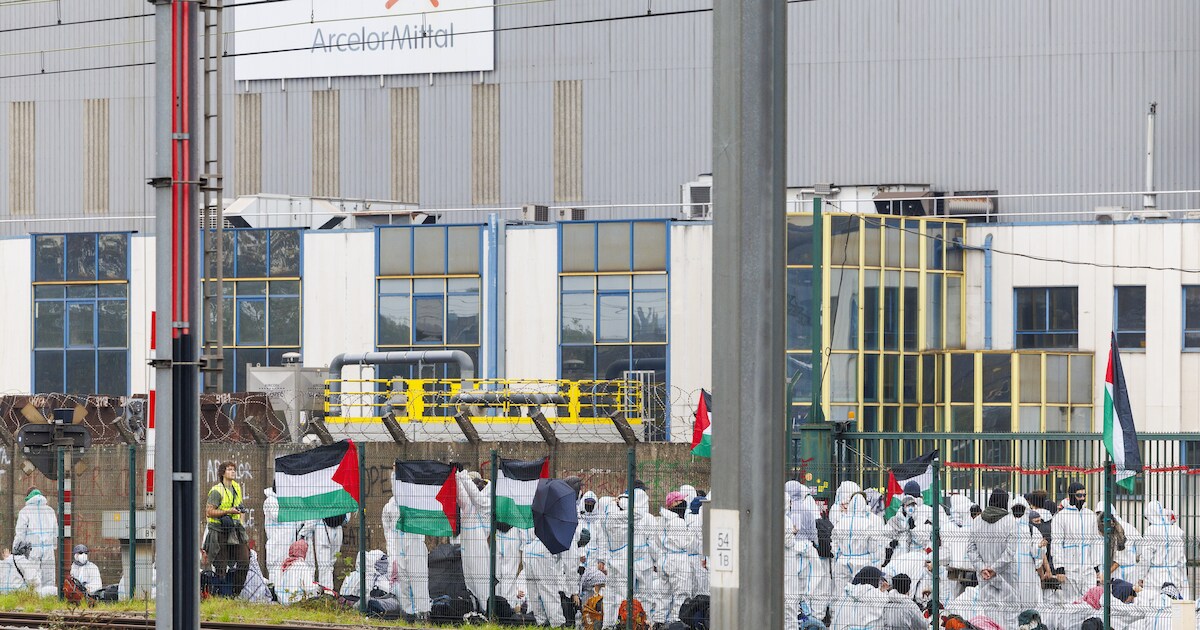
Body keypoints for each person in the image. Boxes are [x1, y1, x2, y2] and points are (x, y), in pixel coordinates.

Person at [382, 488, 430, 619]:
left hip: (415, 547)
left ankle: (423, 613)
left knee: (419, 581)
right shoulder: (390, 506)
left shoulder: (416, 503)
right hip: (399, 549)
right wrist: (393, 557)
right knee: (404, 583)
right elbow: (389, 533)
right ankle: (408, 614)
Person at [1050, 482, 1100, 603]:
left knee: (1091, 602)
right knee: (1071, 603)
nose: (1082, 498)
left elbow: (1095, 542)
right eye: (1079, 495)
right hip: (1069, 569)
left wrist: (1097, 568)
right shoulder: (1061, 516)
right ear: (1072, 495)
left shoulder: (1090, 515)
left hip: (1087, 569)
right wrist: (1059, 568)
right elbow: (1056, 543)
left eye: (1084, 495)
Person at [205, 461, 250, 594]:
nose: (233, 472)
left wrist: (241, 522)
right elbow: (209, 511)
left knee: (244, 561)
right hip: (219, 530)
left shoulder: (236, 487)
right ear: (222, 473)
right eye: (229, 469)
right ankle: (221, 593)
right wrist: (227, 511)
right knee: (221, 565)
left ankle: (235, 592)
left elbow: (240, 508)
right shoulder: (216, 491)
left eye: (234, 470)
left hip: (235, 530)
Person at [654, 491, 696, 627]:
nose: (683, 503)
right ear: (672, 504)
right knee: (681, 594)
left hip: (664, 558)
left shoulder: (662, 520)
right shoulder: (678, 521)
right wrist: (692, 537)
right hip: (678, 560)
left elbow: (657, 541)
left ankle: (659, 622)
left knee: (663, 594)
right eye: (680, 501)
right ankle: (676, 623)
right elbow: (685, 543)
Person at [831, 493, 885, 590]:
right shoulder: (868, 523)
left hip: (843, 561)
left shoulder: (841, 522)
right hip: (862, 561)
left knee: (842, 592)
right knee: (861, 591)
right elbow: (873, 546)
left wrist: (838, 555)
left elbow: (834, 544)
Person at [455, 469, 491, 606]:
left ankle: (485, 609)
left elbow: (475, 496)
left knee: (481, 581)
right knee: (469, 580)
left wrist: (462, 476)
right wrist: (456, 476)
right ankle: (475, 609)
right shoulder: (470, 502)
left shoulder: (486, 499)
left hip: (479, 544)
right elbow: (461, 496)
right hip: (467, 544)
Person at [1142, 500, 1190, 600]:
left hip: (1154, 578)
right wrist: (1183, 579)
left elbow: (1146, 558)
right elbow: (1182, 559)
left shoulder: (1151, 531)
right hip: (1174, 574)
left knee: (1154, 605)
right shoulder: (1177, 530)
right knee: (1173, 606)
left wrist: (1140, 576)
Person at [13, 487, 57, 587]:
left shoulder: (25, 511)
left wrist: (16, 549)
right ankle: (49, 599)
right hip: (48, 548)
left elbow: (20, 532)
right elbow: (55, 531)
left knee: (33, 576)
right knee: (49, 576)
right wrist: (54, 545)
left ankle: (34, 600)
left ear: (28, 497)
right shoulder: (50, 511)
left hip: (32, 549)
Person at [262, 486, 302, 581]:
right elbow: (278, 516)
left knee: (288, 572)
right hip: (276, 546)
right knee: (276, 573)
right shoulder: (270, 501)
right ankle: (275, 595)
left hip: (288, 545)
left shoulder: (288, 502)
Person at [305, 512, 349, 590]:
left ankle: (325, 594)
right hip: (338, 529)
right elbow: (346, 519)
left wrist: (303, 532)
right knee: (330, 565)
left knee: (324, 566)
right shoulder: (342, 500)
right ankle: (329, 591)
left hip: (323, 529)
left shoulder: (320, 500)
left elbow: (314, 517)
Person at [276, 539, 317, 605]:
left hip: (282, 600)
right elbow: (309, 587)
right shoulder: (302, 565)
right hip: (295, 600)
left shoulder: (285, 563)